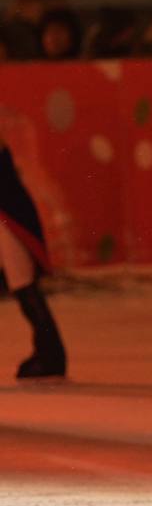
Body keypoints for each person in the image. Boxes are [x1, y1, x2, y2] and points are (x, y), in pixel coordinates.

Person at [0, 137, 66, 378]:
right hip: (9, 217)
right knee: (22, 286)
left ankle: (51, 355)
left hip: (9, 219)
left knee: (24, 285)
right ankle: (49, 352)